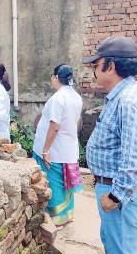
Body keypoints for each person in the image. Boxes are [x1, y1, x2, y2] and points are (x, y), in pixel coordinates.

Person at [83, 36, 137, 254]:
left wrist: (116, 196)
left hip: (119, 191)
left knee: (121, 248)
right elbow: (135, 144)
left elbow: (134, 156)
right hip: (116, 185)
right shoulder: (124, 95)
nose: (94, 71)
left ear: (111, 66)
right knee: (114, 243)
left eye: (96, 65)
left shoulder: (128, 100)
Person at [32, 64, 83, 227]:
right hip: (67, 147)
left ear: (56, 78)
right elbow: (75, 122)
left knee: (53, 183)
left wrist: (45, 150)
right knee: (64, 182)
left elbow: (54, 126)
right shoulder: (76, 97)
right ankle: (67, 215)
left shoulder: (58, 99)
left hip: (54, 149)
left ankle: (56, 218)